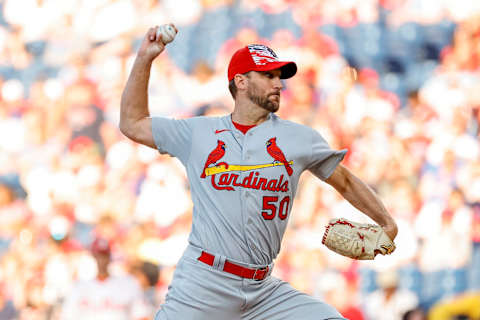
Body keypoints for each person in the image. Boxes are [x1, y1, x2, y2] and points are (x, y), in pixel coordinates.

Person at [119, 24, 398, 320]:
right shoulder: (197, 133)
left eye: (279, 76)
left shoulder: (300, 139)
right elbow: (132, 123)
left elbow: (345, 181)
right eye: (268, 76)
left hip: (262, 289)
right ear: (240, 81)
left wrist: (386, 223)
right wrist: (145, 59)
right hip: (204, 284)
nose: (278, 84)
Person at [60, 237, 149, 320]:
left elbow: (141, 315)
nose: (101, 260)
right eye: (98, 255)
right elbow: (67, 315)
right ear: (93, 256)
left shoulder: (128, 283)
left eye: (104, 255)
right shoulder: (78, 286)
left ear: (109, 257)